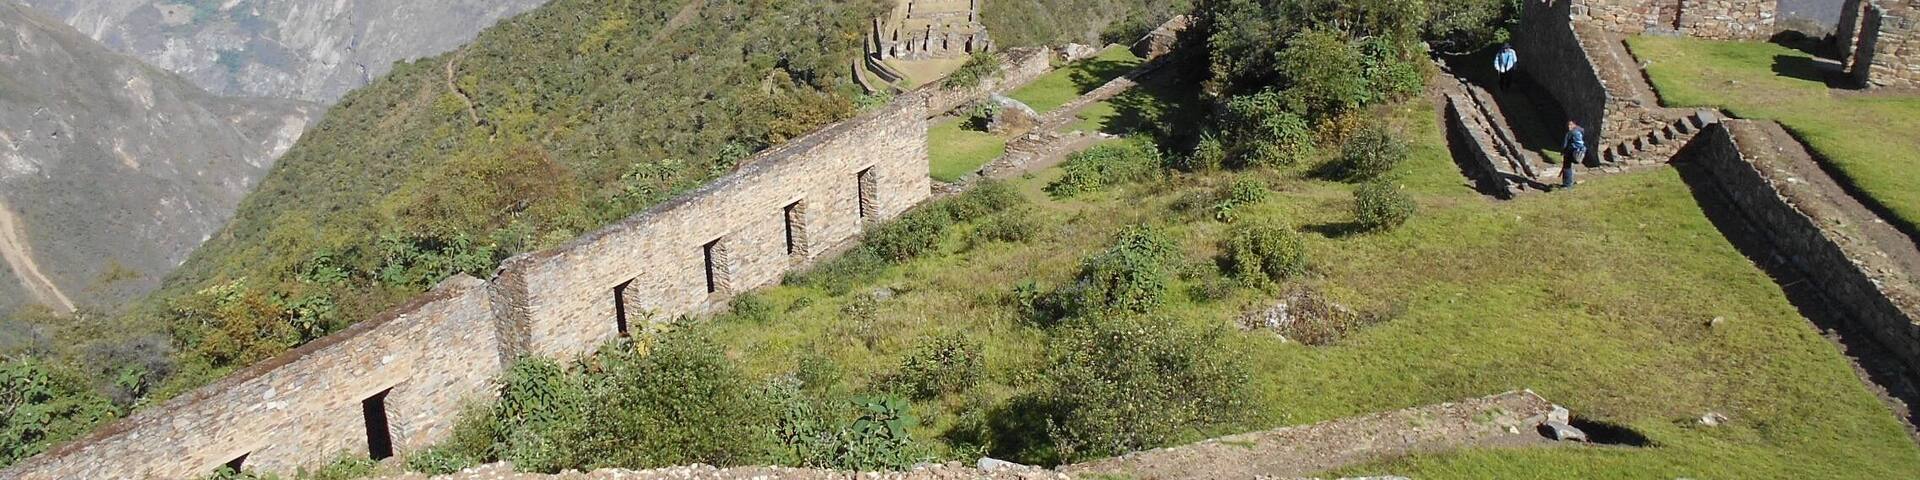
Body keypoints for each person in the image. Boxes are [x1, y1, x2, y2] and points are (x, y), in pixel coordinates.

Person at [1561, 120, 1586, 190]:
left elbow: (1565, 144)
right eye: (1568, 125)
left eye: (1570, 125)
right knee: (1568, 167)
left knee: (1567, 167)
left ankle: (1567, 184)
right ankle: (1568, 183)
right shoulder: (1580, 131)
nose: (1569, 127)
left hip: (1571, 152)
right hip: (1579, 152)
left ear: (1574, 124)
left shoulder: (1571, 133)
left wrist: (1563, 152)